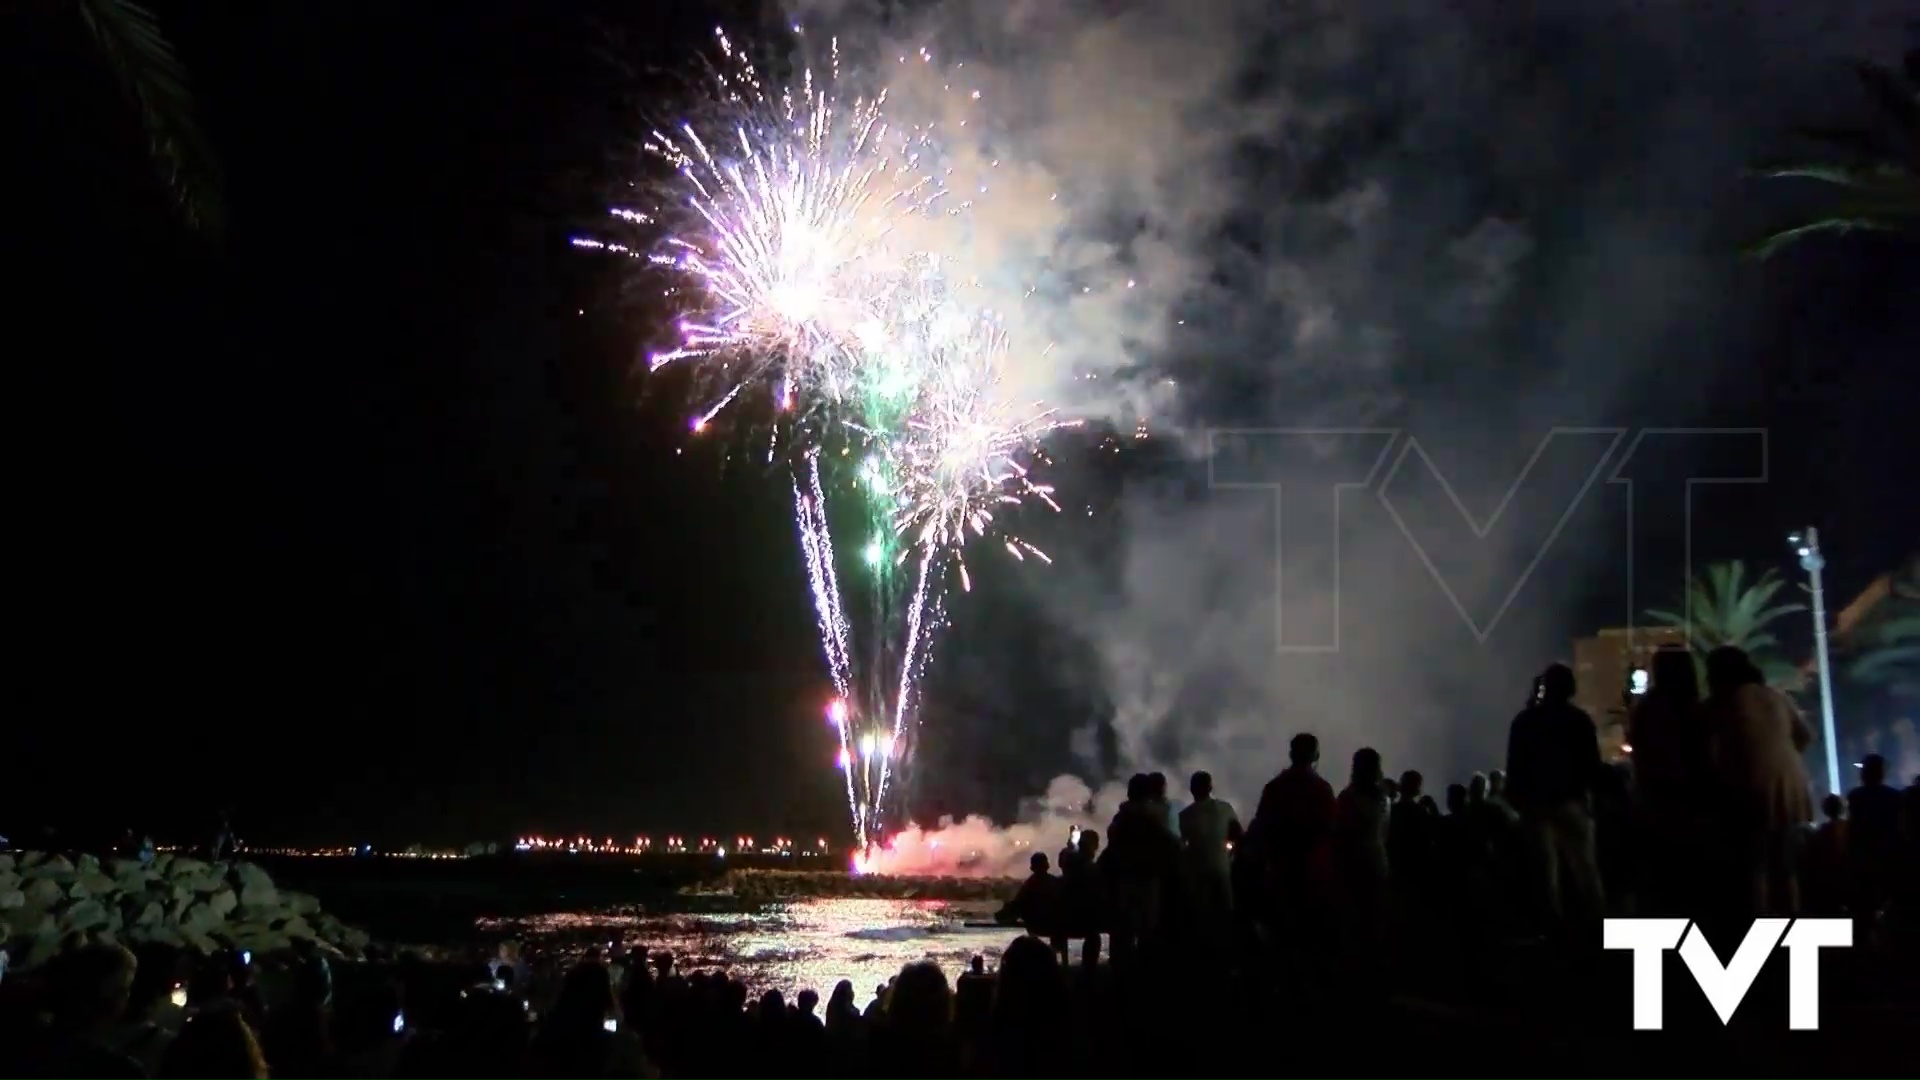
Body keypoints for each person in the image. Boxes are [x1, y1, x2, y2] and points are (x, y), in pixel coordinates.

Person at [1702, 645, 1814, 917]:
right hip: (1791, 785)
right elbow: (1805, 735)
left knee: (1756, 866)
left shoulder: (1723, 702)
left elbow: (1701, 745)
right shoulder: (1776, 696)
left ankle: (1761, 930)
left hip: (1752, 787)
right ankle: (1792, 922)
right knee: (1786, 866)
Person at [1505, 663, 1605, 934]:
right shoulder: (1579, 720)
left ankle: (1554, 931)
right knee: (1585, 870)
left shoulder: (1525, 722)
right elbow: (1592, 765)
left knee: (1545, 874)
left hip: (1536, 805)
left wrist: (1519, 799)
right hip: (1571, 801)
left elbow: (1516, 766)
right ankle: (1596, 929)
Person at [1627, 646, 1706, 913]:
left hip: (1656, 799)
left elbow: (1637, 744)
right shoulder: (1698, 709)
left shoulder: (1648, 708)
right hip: (1693, 801)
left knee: (1661, 875)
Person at [1177, 770, 1242, 948]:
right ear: (1211, 787)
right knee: (1225, 915)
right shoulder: (1225, 808)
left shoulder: (1185, 815)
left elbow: (1181, 846)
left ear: (1192, 789)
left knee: (1201, 917)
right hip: (1221, 869)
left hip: (1197, 872)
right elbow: (1238, 835)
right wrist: (1229, 854)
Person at [1846, 754, 1903, 923]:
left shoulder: (1856, 796)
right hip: (1889, 857)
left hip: (1865, 858)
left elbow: (1854, 829)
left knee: (1865, 907)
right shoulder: (1894, 796)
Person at [996, 853, 1064, 933]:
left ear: (1032, 867)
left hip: (1035, 924)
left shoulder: (1030, 884)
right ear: (1047, 865)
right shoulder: (1055, 881)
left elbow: (1019, 903)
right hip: (1054, 923)